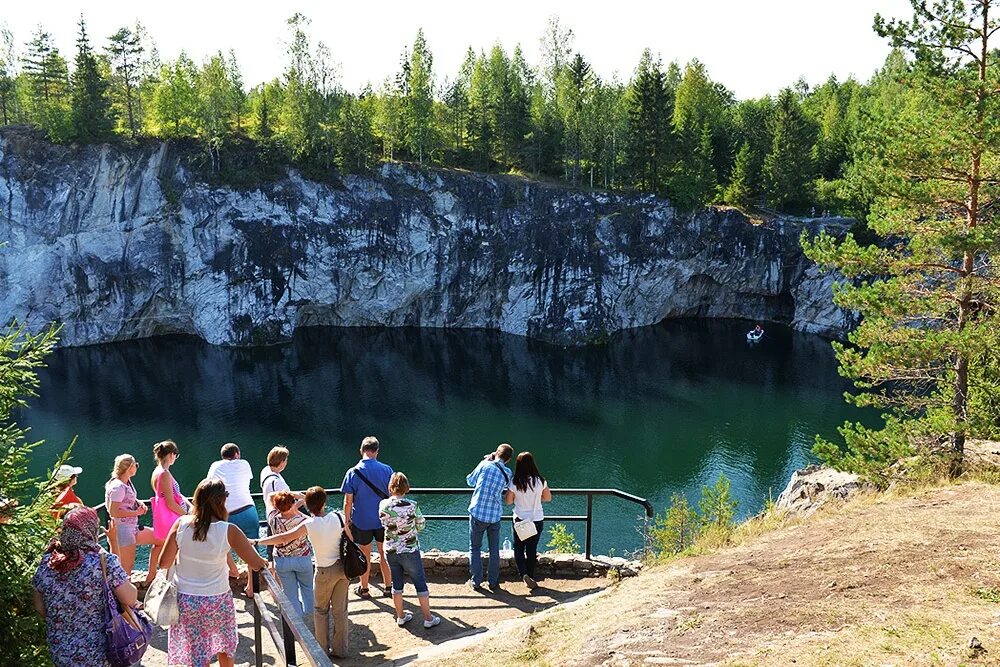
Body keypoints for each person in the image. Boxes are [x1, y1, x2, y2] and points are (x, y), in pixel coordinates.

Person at [158, 478, 268, 667]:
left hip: (187, 600)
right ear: (221, 501)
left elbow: (163, 562)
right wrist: (264, 561)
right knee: (224, 645)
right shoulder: (229, 530)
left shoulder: (181, 524)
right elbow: (256, 564)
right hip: (217, 599)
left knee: (197, 653)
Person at [33, 506, 140, 667]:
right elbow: (130, 598)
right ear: (92, 530)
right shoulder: (103, 562)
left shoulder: (48, 562)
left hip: (61, 653)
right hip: (100, 653)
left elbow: (40, 608)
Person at [255, 486, 351, 659]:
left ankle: (322, 651)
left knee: (321, 611)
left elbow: (284, 538)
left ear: (307, 504)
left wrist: (257, 542)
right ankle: (341, 650)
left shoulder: (308, 524)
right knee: (340, 610)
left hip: (323, 571)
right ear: (324, 503)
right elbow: (350, 537)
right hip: (342, 569)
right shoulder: (339, 517)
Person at [378, 472, 441, 628]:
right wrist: (410, 530)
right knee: (420, 583)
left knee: (396, 585)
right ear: (406, 487)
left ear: (391, 487)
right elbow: (421, 525)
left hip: (391, 549)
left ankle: (400, 616)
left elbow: (382, 524)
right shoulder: (412, 505)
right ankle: (428, 618)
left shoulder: (383, 504)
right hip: (409, 549)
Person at [340, 435, 393, 598]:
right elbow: (392, 496)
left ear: (361, 451)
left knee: (365, 555)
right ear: (377, 451)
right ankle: (388, 587)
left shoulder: (352, 472)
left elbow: (348, 502)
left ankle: (364, 588)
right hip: (383, 521)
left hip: (361, 521)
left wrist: (347, 520)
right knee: (385, 554)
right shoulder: (387, 470)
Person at [207, 442, 259, 596]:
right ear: (236, 454)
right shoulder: (245, 464)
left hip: (226, 512)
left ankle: (232, 570)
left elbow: (209, 485)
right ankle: (251, 587)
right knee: (252, 548)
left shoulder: (215, 466)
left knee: (221, 547)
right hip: (248, 510)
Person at [105, 454, 160, 584]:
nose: (136, 467)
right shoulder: (117, 486)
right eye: (136, 465)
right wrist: (136, 512)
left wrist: (137, 502)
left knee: (160, 539)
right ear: (130, 467)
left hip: (132, 528)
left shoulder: (125, 482)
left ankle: (151, 576)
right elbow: (113, 511)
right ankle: (126, 601)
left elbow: (125, 499)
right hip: (123, 530)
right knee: (126, 568)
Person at [465, 443, 513, 592]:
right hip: (494, 515)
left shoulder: (485, 466)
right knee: (494, 549)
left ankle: (476, 581)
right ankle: (493, 582)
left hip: (478, 512)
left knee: (475, 548)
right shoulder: (508, 472)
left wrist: (487, 459)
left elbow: (470, 481)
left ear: (496, 453)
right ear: (508, 459)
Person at [505, 452, 552, 589]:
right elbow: (548, 498)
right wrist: (537, 498)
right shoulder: (540, 481)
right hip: (536, 520)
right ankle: (530, 576)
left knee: (519, 548)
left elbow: (508, 501)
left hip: (520, 520)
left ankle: (523, 573)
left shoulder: (515, 482)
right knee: (532, 550)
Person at [264, 490, 314, 618]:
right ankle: (312, 616)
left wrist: (289, 497)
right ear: (293, 504)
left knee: (290, 593)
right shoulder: (304, 520)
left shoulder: (273, 518)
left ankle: (297, 623)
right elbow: (315, 521)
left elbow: (270, 496)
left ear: (276, 506)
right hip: (302, 558)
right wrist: (298, 498)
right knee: (308, 588)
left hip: (282, 560)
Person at [151, 441, 188, 579]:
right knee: (174, 555)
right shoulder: (164, 474)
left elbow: (172, 495)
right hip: (172, 519)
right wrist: (188, 515)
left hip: (167, 518)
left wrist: (188, 504)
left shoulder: (158, 471)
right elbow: (171, 503)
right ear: (172, 455)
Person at [259, 445, 303, 516]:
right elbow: (287, 509)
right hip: (280, 518)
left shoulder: (265, 470)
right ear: (282, 462)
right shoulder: (278, 483)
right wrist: (303, 501)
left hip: (269, 513)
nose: (286, 462)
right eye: (286, 460)